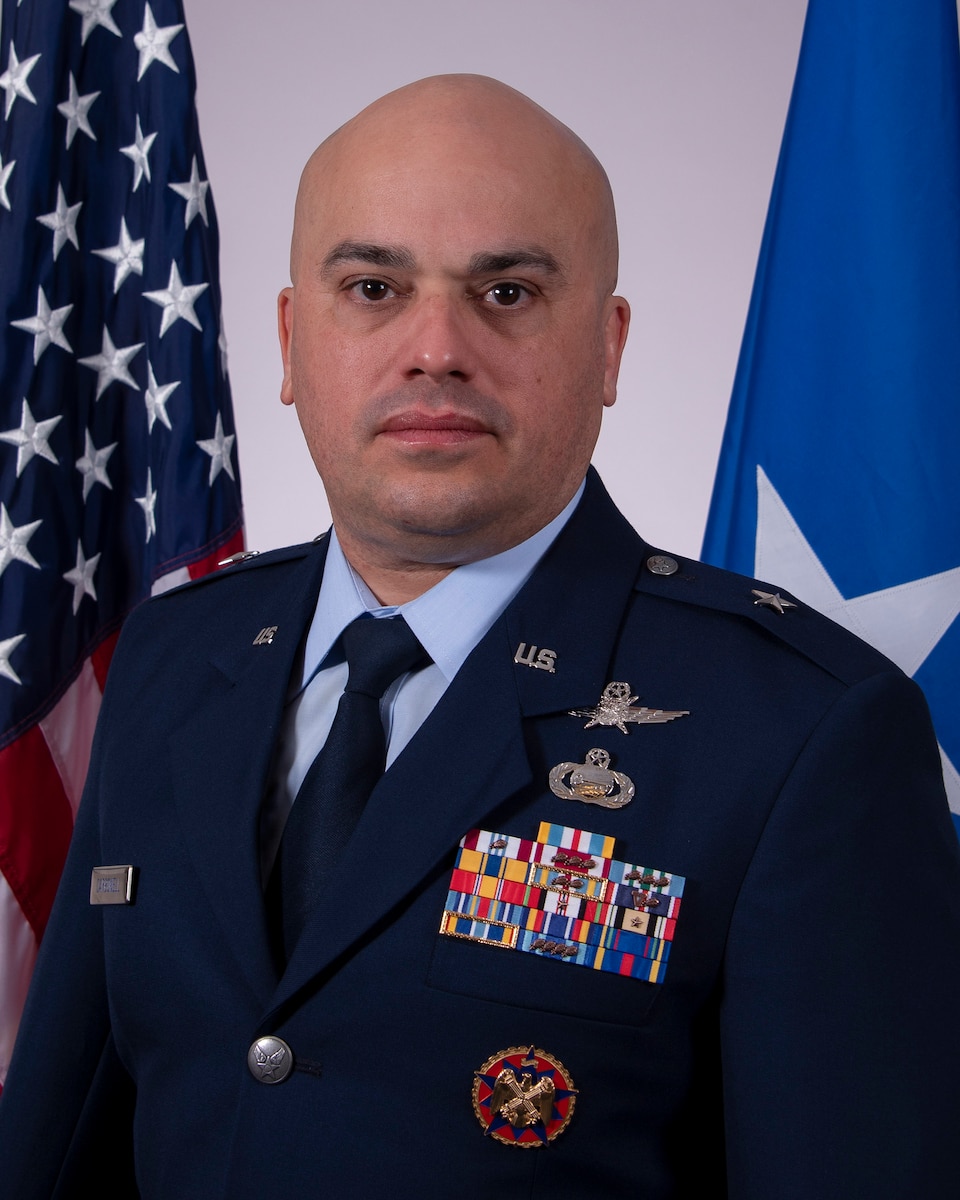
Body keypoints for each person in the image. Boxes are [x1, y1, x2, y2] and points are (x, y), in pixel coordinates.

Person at [1, 74, 959, 1199]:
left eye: (505, 292)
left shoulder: (801, 731)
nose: (435, 349)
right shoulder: (174, 655)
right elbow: (55, 1150)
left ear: (607, 350)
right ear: (290, 339)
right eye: (373, 286)